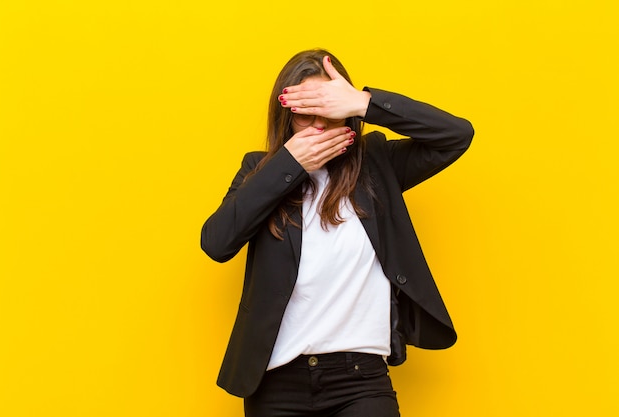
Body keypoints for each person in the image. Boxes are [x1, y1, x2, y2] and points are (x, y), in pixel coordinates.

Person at [201, 49, 474, 417]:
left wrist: (365, 101)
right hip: (277, 382)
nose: (318, 126)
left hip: (360, 380)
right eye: (305, 115)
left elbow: (456, 135)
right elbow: (217, 243)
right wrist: (289, 165)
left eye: (329, 112)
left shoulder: (376, 164)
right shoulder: (260, 170)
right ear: (286, 116)